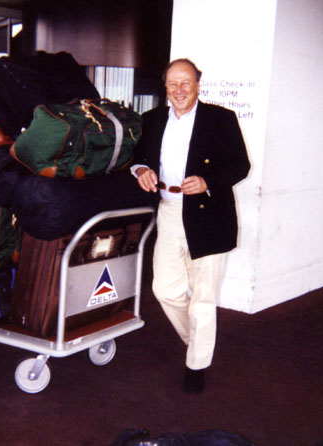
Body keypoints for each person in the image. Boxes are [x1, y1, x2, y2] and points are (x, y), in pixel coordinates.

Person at [132, 58, 250, 394]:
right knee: (164, 290)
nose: (179, 90)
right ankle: (198, 341)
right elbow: (139, 158)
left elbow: (240, 164)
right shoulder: (152, 119)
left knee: (203, 298)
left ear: (198, 84)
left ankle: (196, 364)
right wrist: (141, 171)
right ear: (165, 88)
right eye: (172, 84)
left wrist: (208, 181)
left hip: (209, 212)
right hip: (169, 210)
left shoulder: (220, 119)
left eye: (186, 83)